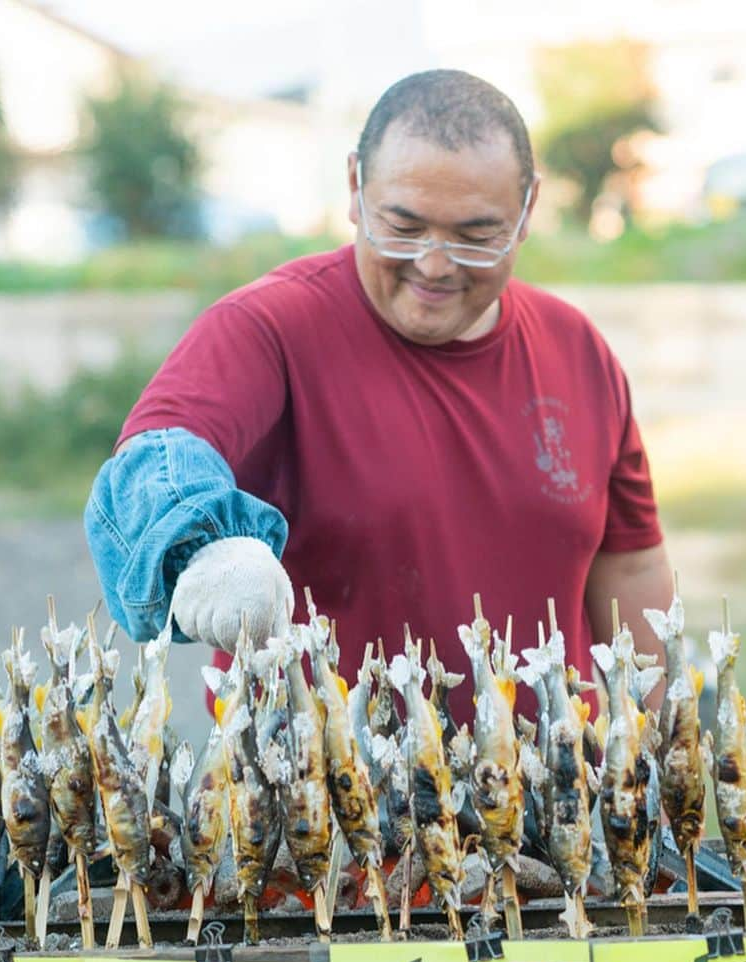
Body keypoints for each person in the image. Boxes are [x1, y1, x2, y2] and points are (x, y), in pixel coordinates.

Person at [84, 69, 672, 716]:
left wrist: (656, 736)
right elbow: (154, 457)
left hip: (545, 798)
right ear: (356, 189)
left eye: (476, 236)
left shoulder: (578, 349)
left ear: (527, 210)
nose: (436, 264)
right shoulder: (268, 328)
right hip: (315, 799)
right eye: (404, 226)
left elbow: (632, 564)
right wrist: (208, 548)